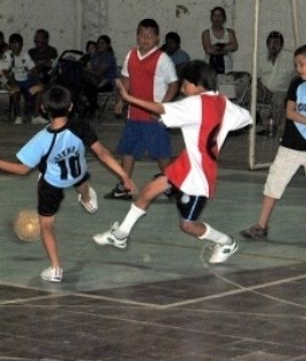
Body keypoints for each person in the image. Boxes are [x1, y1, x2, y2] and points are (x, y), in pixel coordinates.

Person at [93, 60, 252, 264]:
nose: (183, 90)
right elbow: (246, 117)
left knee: (187, 225)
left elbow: (160, 109)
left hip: (198, 175)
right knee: (149, 191)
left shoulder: (194, 104)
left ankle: (225, 241)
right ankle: (121, 235)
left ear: (198, 84)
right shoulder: (224, 103)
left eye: (185, 84)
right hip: (186, 164)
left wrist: (129, 98)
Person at [0, 85, 136, 282]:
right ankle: (87, 199)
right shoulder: (80, 126)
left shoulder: (41, 140)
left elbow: (22, 169)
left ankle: (56, 268)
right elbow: (102, 153)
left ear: (43, 109)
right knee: (83, 178)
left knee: (47, 225)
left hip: (52, 184)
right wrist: (124, 176)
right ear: (70, 107)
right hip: (78, 174)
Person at [239, 43, 306, 244]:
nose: (298, 69)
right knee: (274, 184)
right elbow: (290, 112)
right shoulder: (296, 85)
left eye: (301, 64)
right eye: (296, 65)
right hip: (290, 146)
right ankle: (261, 225)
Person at [105, 19, 179, 200]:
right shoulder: (130, 55)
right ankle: (125, 185)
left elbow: (174, 84)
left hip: (154, 118)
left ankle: (175, 184)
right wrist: (121, 100)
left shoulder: (163, 59)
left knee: (161, 154)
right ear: (137, 36)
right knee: (127, 150)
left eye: (150, 36)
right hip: (134, 115)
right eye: (142, 35)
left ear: (157, 38)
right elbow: (125, 80)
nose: (146, 39)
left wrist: (161, 108)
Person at [3, 33, 46, 125]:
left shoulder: (25, 54)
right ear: (10, 45)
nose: (15, 45)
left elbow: (33, 69)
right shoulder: (7, 55)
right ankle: (19, 116)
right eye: (13, 43)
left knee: (40, 89)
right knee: (14, 90)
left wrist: (38, 81)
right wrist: (13, 82)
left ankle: (36, 116)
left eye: (17, 43)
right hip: (13, 81)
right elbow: (5, 72)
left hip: (26, 82)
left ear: (21, 44)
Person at [258, 31, 294, 136]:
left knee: (278, 100)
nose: (273, 46)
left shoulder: (290, 58)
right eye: (271, 43)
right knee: (249, 95)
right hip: (262, 89)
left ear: (281, 45)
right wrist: (263, 90)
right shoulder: (260, 57)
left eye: (276, 43)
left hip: (282, 91)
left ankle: (273, 127)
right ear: (267, 44)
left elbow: (296, 76)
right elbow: (256, 78)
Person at [83, 34, 118, 116]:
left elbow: (99, 72)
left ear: (108, 45)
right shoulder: (96, 56)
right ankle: (91, 107)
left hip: (107, 83)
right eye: (98, 43)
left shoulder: (109, 57)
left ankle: (92, 108)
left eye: (102, 43)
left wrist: (86, 70)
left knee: (87, 85)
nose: (99, 45)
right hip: (95, 82)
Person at [201, 6, 238, 75]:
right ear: (211, 18)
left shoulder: (230, 32)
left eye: (219, 16)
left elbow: (234, 46)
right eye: (214, 16)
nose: (217, 19)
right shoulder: (206, 33)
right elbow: (208, 50)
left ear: (224, 18)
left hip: (227, 69)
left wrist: (215, 47)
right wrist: (225, 48)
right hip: (209, 69)